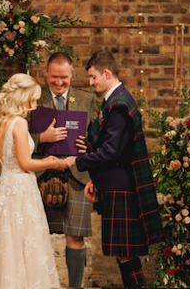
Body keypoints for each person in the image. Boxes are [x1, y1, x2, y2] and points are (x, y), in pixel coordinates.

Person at [65, 50, 163, 288]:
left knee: (126, 253)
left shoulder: (119, 104)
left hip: (122, 188)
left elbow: (112, 152)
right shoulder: (115, 100)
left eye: (93, 77)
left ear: (105, 73)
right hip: (116, 185)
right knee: (124, 253)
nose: (91, 82)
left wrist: (77, 162)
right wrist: (95, 180)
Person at [0, 73, 71, 289]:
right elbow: (25, 163)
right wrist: (51, 162)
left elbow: (11, 161)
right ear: (20, 97)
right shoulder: (19, 124)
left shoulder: (0, 123)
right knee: (24, 241)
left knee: (6, 241)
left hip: (7, 185)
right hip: (22, 187)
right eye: (32, 99)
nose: (34, 105)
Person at [29, 52, 99, 289]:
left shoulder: (87, 99)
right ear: (45, 74)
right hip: (40, 174)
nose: (59, 83)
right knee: (35, 237)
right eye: (53, 78)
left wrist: (87, 145)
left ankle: (75, 287)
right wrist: (41, 138)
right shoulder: (32, 98)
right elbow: (15, 136)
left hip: (75, 175)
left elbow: (100, 139)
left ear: (71, 75)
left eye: (64, 78)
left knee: (75, 236)